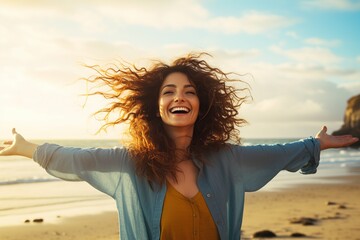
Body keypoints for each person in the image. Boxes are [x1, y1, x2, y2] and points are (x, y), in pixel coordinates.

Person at [0, 53, 358, 240]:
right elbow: (79, 158)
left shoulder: (226, 160)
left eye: (189, 91)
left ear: (202, 105)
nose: (179, 97)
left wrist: (316, 144)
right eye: (169, 91)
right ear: (155, 106)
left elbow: (276, 152)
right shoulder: (132, 164)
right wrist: (29, 148)